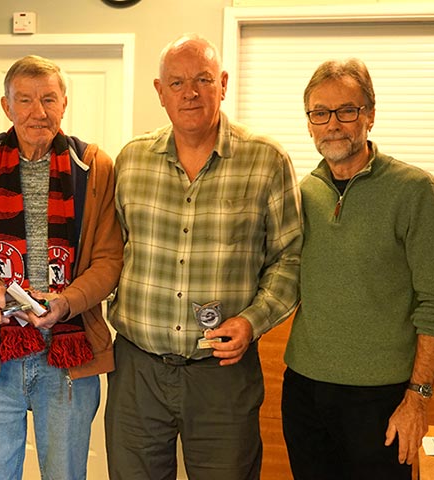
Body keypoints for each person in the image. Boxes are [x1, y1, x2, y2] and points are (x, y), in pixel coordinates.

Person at [106, 33, 303, 480]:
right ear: (159, 91)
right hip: (137, 369)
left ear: (224, 83)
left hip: (222, 375)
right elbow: (107, 252)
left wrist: (252, 321)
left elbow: (290, 258)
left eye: (203, 79)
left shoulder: (265, 160)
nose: (190, 92)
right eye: (176, 83)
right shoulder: (131, 162)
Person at [282, 58, 434, 479]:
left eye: (347, 110)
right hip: (304, 393)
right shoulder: (300, 193)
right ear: (309, 122)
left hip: (382, 401)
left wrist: (417, 398)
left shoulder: (414, 190)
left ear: (370, 115)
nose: (334, 124)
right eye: (320, 113)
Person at [0, 55, 123, 480]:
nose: (37, 112)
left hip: (68, 351)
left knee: (65, 473)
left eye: (48, 99)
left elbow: (108, 260)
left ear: (65, 103)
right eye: (24, 100)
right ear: (6, 107)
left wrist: (66, 303)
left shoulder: (94, 167)